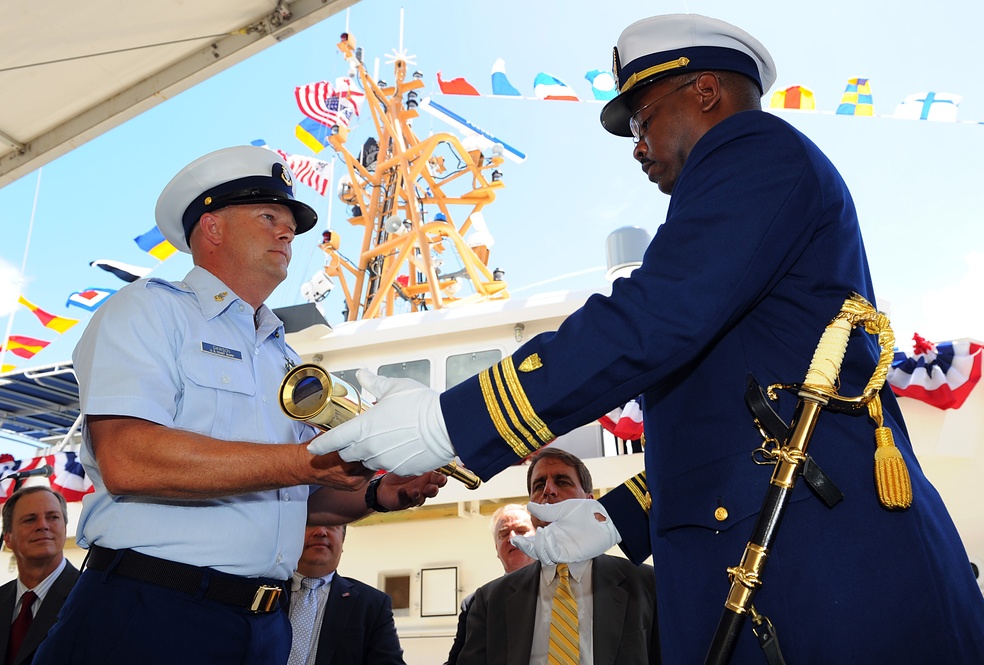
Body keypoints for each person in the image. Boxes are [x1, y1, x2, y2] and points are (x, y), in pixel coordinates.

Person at [309, 14, 984, 664]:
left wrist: (447, 420)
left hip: (825, 575)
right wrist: (612, 517)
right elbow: (734, 423)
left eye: (641, 118)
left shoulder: (753, 151)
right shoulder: (746, 193)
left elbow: (657, 314)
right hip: (792, 563)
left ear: (706, 92)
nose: (636, 145)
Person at [33, 146, 445, 665]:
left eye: (290, 224)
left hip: (265, 625)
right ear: (212, 228)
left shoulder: (284, 356)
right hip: (153, 612)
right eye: (269, 216)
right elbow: (129, 460)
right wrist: (305, 463)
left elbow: (299, 498)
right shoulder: (147, 311)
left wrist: (383, 492)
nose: (286, 233)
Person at [456, 448, 659, 665]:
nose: (549, 490)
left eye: (562, 482)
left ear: (590, 502)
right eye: (538, 485)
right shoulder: (491, 600)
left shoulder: (647, 584)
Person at [288, 520, 403, 665]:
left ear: (342, 542)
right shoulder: (257, 590)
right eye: (310, 523)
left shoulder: (371, 605)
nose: (321, 532)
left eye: (331, 525)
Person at [0, 487, 78, 665]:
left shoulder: (91, 598)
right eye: (30, 519)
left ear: (65, 529)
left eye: (53, 517)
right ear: (8, 538)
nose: (43, 525)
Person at [444, 504, 536, 665]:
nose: (513, 538)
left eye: (521, 531)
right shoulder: (477, 603)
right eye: (504, 533)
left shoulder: (564, 586)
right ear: (496, 549)